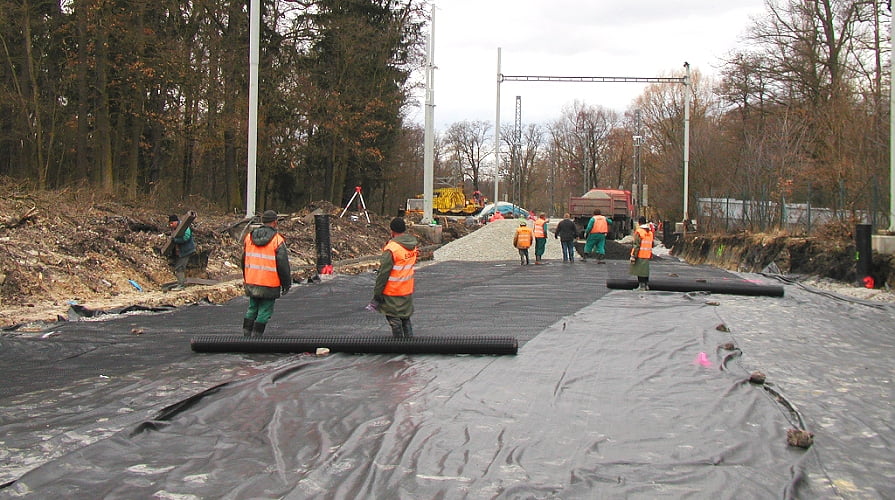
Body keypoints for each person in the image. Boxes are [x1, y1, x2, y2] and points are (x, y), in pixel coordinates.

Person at [241, 210, 292, 337]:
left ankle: (246, 336)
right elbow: (283, 265)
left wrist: (246, 276)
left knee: (252, 308)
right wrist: (286, 284)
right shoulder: (277, 240)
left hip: (252, 280)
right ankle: (257, 337)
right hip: (270, 282)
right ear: (275, 222)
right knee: (264, 310)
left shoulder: (249, 237)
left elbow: (243, 259)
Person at [373, 217, 420, 338]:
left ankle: (398, 346)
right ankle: (409, 345)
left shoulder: (392, 248)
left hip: (392, 291)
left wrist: (377, 293)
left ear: (392, 231)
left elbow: (383, 273)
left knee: (394, 320)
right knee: (405, 318)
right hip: (406, 290)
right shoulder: (412, 246)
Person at [167, 214, 196, 291]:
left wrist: (176, 240)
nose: (170, 225)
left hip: (186, 250)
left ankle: (181, 285)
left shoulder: (184, 227)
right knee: (179, 267)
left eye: (172, 223)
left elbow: (186, 237)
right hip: (181, 251)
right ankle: (181, 283)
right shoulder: (175, 229)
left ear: (176, 222)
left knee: (179, 267)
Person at [630, 216, 655, 291]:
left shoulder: (639, 231)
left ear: (639, 222)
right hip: (647, 254)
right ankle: (646, 285)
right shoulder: (650, 232)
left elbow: (637, 245)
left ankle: (641, 286)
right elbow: (652, 244)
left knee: (639, 271)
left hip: (640, 254)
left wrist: (634, 255)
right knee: (645, 271)